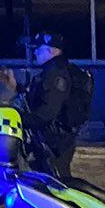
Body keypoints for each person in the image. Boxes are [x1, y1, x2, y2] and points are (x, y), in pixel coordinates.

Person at [23, 32, 90, 180]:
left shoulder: (56, 74)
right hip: (56, 140)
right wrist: (17, 88)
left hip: (55, 143)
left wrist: (16, 117)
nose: (35, 52)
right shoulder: (53, 71)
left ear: (52, 51)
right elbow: (41, 98)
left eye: (39, 49)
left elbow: (46, 113)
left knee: (57, 186)